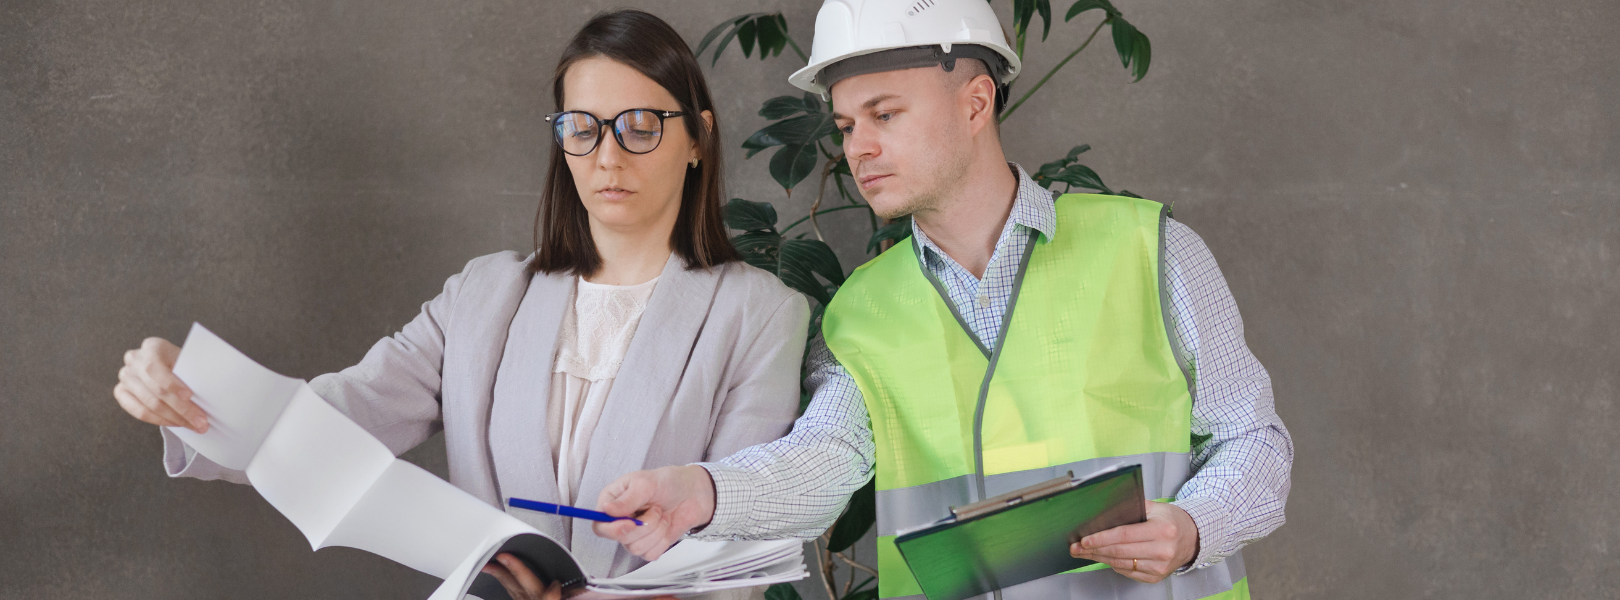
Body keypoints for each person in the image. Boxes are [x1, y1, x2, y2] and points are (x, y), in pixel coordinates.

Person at [590, 1, 1294, 599]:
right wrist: (700, 492)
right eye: (845, 126)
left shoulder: (1152, 250)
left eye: (884, 114)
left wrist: (1197, 526)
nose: (857, 148)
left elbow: (1254, 440)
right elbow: (821, 460)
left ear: (976, 102)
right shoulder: (861, 310)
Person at [110, 10, 807, 600]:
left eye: (641, 125)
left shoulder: (761, 313)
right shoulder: (484, 294)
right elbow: (331, 421)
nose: (608, 157)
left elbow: (739, 548)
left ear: (698, 137)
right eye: (582, 127)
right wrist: (192, 386)